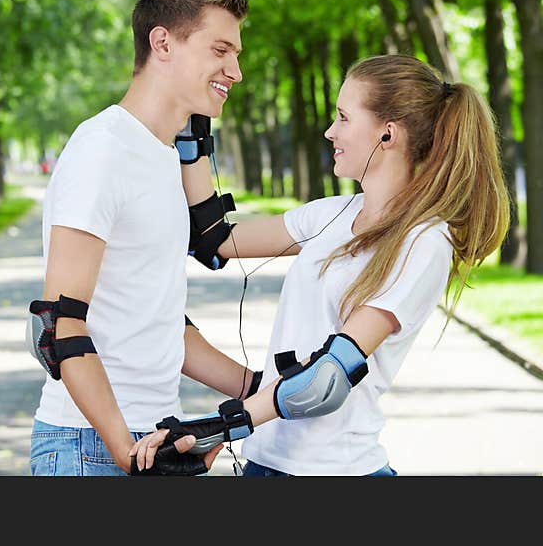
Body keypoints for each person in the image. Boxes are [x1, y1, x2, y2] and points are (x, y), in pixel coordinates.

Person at [130, 53, 510, 476]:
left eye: (344, 118)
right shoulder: (331, 213)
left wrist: (222, 426)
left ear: (388, 134)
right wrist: (192, 130)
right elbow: (214, 239)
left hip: (337, 469)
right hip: (267, 460)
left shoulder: (423, 241)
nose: (330, 132)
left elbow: (327, 379)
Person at [26, 0, 257, 476]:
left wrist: (257, 392)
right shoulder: (103, 149)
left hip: (156, 437)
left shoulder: (163, 156)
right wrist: (123, 451)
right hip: (89, 446)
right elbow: (59, 325)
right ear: (162, 43)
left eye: (237, 54)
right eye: (221, 50)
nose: (235, 71)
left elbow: (158, 323)